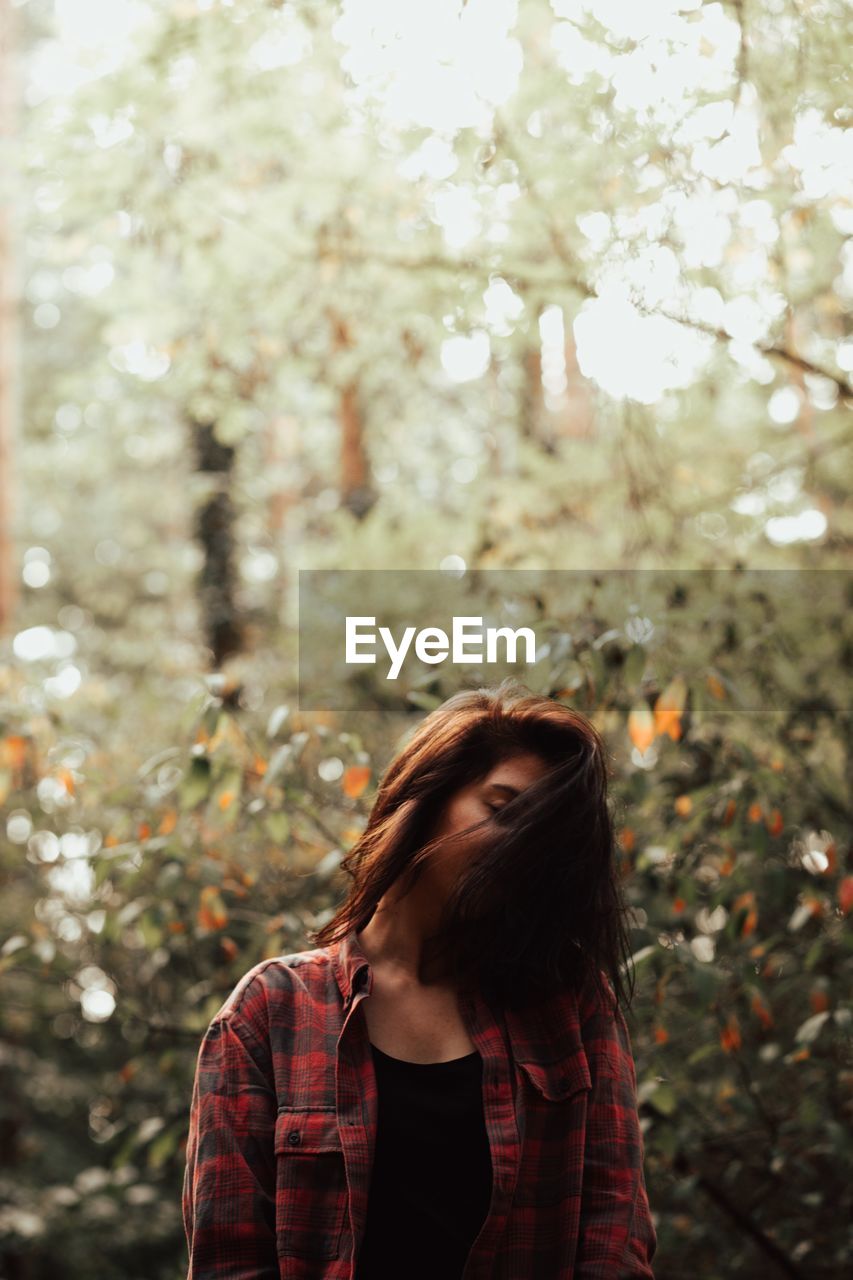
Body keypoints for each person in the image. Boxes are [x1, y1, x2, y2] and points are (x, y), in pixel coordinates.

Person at [182, 678, 657, 1279]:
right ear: (427, 795)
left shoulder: (571, 1007)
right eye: (501, 808)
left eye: (540, 836)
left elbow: (614, 1247)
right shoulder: (268, 1014)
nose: (517, 848)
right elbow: (230, 1263)